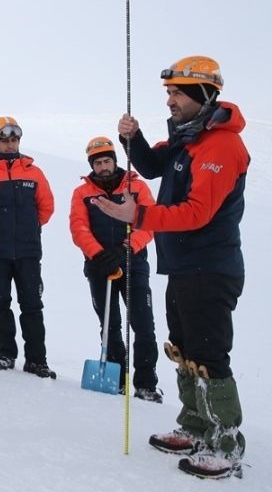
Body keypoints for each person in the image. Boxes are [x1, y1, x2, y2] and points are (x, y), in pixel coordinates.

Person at [92, 55, 249, 479]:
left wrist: (139, 218)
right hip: (183, 266)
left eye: (177, 93)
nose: (170, 101)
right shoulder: (190, 137)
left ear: (201, 94)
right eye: (168, 93)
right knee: (185, 349)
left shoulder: (222, 145)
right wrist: (133, 138)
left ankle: (225, 444)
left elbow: (197, 213)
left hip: (211, 267)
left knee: (209, 354)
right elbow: (152, 165)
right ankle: (196, 426)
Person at [69, 136, 161, 400]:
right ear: (92, 165)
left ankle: (146, 384)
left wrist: (125, 249)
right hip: (99, 267)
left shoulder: (136, 188)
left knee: (143, 324)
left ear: (115, 161)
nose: (103, 166)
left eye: (107, 160)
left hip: (134, 265)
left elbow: (149, 222)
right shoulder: (83, 193)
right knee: (110, 325)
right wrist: (98, 254)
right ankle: (116, 380)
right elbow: (79, 227)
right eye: (97, 163)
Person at [0, 117, 56, 378]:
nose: (10, 145)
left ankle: (37, 360)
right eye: (5, 141)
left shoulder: (33, 172)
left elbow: (46, 207)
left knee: (32, 304)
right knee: (0, 302)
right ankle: (6, 354)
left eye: (14, 140)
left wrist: (28, 228)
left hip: (28, 251)